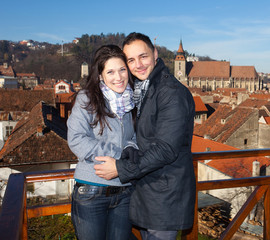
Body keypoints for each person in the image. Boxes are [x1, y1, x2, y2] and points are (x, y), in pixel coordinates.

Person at [94, 32, 196, 240]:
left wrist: (120, 168)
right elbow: (144, 137)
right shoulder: (143, 89)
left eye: (143, 56)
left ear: (155, 54)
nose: (138, 64)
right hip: (148, 194)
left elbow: (166, 149)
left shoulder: (170, 92)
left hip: (164, 197)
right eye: (131, 60)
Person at [67, 44, 137, 240]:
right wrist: (118, 157)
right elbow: (76, 140)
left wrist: (129, 151)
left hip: (124, 191)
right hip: (91, 191)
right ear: (100, 75)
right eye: (111, 71)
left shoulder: (131, 101)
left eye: (122, 69)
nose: (119, 77)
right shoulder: (86, 99)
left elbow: (134, 138)